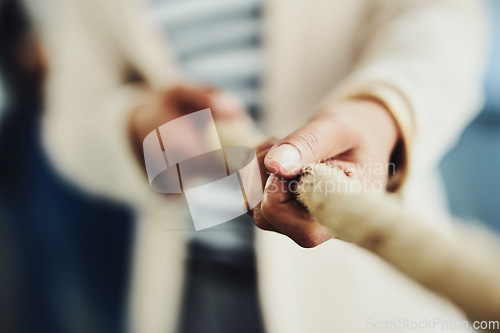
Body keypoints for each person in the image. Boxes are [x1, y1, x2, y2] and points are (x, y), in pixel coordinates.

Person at [22, 0, 488, 332]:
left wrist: (382, 109)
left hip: (360, 292)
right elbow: (72, 117)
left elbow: (442, 18)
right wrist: (138, 130)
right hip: (190, 283)